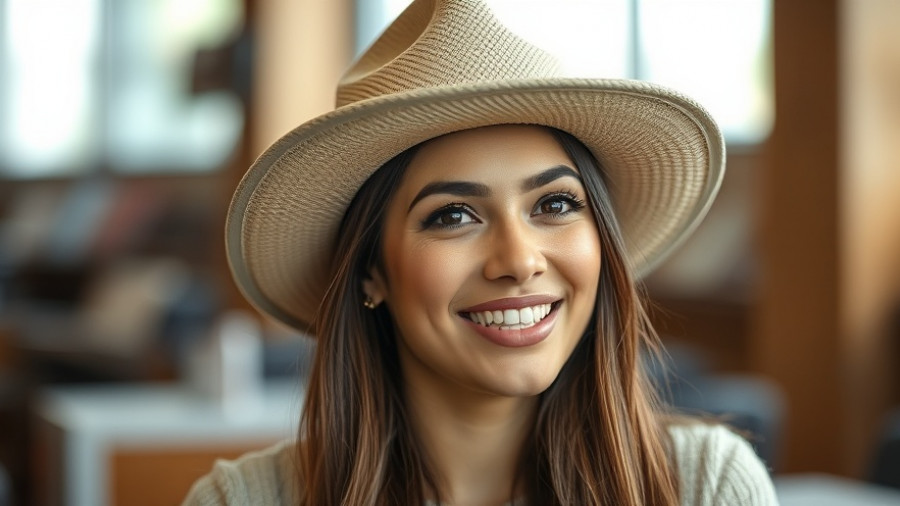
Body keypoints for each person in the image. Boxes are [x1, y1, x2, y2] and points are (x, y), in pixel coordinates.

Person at [184, 0, 778, 504]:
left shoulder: (705, 485)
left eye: (554, 204)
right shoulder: (244, 499)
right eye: (453, 216)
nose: (519, 261)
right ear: (371, 271)